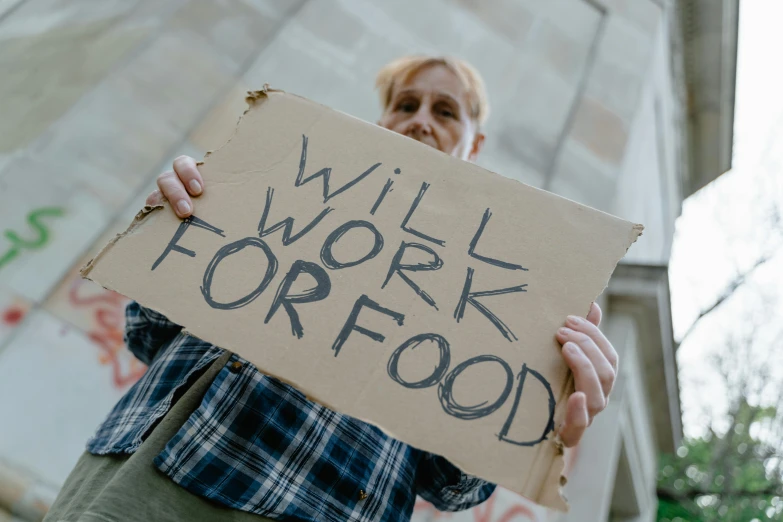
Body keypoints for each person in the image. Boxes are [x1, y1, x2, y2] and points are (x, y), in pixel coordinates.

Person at [45, 56, 617, 522]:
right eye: (405, 104)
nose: (421, 119)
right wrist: (169, 235)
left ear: (475, 143)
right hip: (152, 480)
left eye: (445, 111)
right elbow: (148, 334)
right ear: (383, 120)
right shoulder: (272, 178)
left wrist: (538, 430)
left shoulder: (508, 281)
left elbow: (451, 486)